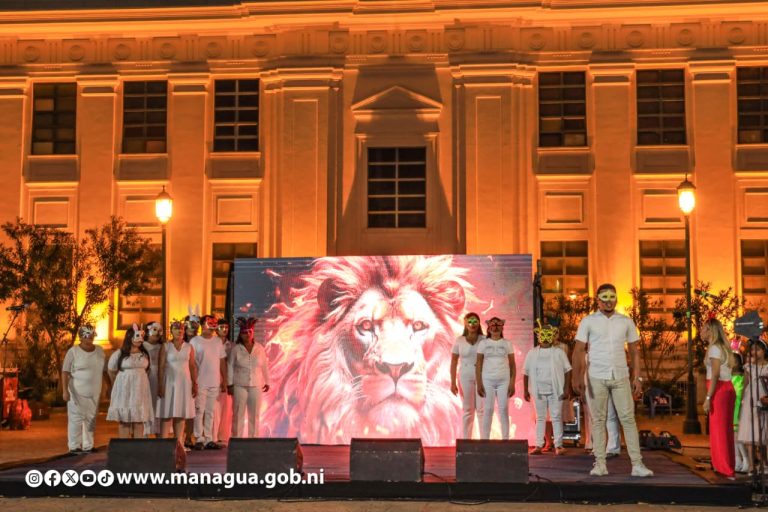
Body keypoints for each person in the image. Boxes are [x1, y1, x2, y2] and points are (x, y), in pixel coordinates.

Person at [572, 283, 653, 477]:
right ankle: (600, 464)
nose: (608, 301)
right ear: (598, 300)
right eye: (604, 297)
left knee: (628, 419)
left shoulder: (625, 321)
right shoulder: (588, 321)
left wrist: (638, 377)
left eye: (612, 297)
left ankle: (637, 464)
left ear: (616, 299)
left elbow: (634, 352)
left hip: (620, 375)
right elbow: (578, 350)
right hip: (596, 376)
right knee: (598, 420)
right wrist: (577, 377)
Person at [525, 322, 572, 455]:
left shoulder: (559, 352)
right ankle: (539, 445)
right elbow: (526, 372)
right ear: (538, 336)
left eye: (548, 334)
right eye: (543, 334)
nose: (545, 338)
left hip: (555, 390)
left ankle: (558, 445)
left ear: (552, 336)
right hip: (538, 390)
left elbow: (568, 370)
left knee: (556, 417)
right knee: (540, 418)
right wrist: (525, 389)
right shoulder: (532, 353)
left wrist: (566, 388)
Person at [62, 324, 105, 455]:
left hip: (94, 392)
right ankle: (74, 446)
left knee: (91, 419)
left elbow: (103, 371)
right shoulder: (73, 352)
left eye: (91, 334)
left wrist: (108, 387)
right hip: (76, 392)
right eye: (87, 335)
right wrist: (64, 391)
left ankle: (88, 445)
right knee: (76, 418)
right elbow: (65, 371)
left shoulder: (100, 351)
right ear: (81, 337)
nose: (89, 337)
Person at [107, 324, 154, 438]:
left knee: (139, 420)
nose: (140, 339)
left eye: (141, 336)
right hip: (125, 390)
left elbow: (148, 370)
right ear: (129, 337)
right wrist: (117, 385)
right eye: (137, 336)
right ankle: (124, 447)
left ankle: (137, 447)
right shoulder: (119, 353)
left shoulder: (145, 354)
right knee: (125, 421)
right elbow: (111, 370)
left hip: (140, 389)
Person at [156, 320, 198, 448]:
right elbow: (161, 367)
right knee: (166, 413)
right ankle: (163, 444)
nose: (179, 331)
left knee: (181, 414)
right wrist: (160, 385)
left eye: (181, 329)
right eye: (176, 328)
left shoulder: (189, 347)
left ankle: (179, 444)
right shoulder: (166, 346)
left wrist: (194, 383)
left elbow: (192, 366)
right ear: (171, 331)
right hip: (169, 382)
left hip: (184, 383)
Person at [228, 317, 270, 438]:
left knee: (254, 414)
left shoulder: (259, 348)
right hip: (239, 385)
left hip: (256, 385)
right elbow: (230, 366)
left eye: (249, 332)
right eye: (244, 332)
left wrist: (267, 382)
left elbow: (264, 366)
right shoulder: (236, 349)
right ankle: (237, 439)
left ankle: (253, 439)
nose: (247, 335)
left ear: (253, 333)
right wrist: (230, 384)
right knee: (238, 414)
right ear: (240, 334)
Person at [190, 314, 227, 450]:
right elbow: (192, 363)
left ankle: (209, 438)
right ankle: (198, 438)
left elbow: (222, 361)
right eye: (209, 324)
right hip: (200, 382)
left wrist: (224, 379)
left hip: (214, 382)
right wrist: (193, 382)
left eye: (213, 325)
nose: (212, 328)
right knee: (199, 410)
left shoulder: (217, 341)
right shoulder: (195, 341)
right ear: (202, 325)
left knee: (210, 411)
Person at [476, 317, 515, 440]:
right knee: (488, 409)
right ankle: (485, 440)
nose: (495, 328)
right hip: (487, 380)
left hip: (504, 380)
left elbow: (512, 364)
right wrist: (479, 383)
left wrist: (512, 383)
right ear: (489, 328)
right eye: (493, 326)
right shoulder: (483, 344)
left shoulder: (507, 343)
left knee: (504, 409)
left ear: (502, 328)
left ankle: (505, 439)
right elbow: (478, 364)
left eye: (498, 326)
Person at [450, 312, 485, 439]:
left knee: (482, 409)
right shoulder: (459, 340)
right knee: (468, 409)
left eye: (475, 321)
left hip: (482, 376)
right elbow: (454, 361)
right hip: (465, 375)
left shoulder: (485, 340)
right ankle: (466, 441)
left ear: (479, 323)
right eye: (470, 321)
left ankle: (485, 441)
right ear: (465, 323)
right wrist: (453, 382)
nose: (472, 324)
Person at [737, 338, 766, 475]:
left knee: (763, 430)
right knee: (749, 431)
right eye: (753, 349)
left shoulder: (767, 367)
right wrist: (742, 401)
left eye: (758, 349)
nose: (755, 352)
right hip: (750, 399)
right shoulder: (749, 367)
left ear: (764, 351)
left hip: (763, 397)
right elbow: (745, 384)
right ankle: (751, 465)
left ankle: (764, 462)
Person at [213, 318, 233, 445]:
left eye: (226, 327)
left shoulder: (232, 345)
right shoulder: (212, 343)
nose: (224, 330)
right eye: (221, 327)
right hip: (213, 377)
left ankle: (223, 436)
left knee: (226, 408)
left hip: (227, 377)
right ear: (216, 329)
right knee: (214, 408)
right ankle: (213, 436)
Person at [143, 321, 165, 437]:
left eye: (159, 331)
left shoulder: (162, 347)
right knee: (146, 403)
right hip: (146, 376)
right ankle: (144, 432)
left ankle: (158, 432)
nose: (157, 333)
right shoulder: (142, 346)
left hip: (159, 377)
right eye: (154, 330)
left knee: (158, 404)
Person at [732, 352, 748, 473]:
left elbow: (741, 395)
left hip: (739, 408)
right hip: (731, 408)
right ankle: (737, 460)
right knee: (734, 437)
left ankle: (746, 460)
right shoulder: (728, 377)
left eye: (735, 361)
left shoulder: (742, 379)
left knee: (739, 437)